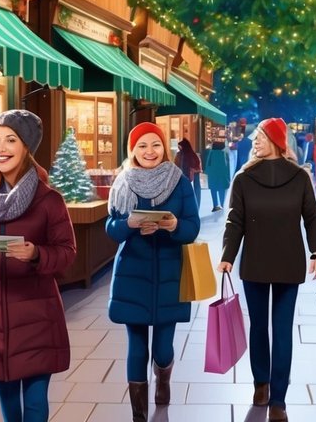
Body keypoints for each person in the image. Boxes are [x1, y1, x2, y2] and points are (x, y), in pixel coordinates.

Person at [0, 110, 77, 422]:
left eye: (11, 139)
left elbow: (67, 252)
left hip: (37, 313)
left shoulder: (49, 200)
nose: (1, 147)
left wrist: (37, 254)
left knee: (35, 400)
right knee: (8, 399)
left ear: (26, 147)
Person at [219, 117, 316, 422]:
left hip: (287, 262)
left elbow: (312, 217)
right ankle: (261, 385)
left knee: (281, 329)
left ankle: (278, 397)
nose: (254, 141)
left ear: (277, 141)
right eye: (255, 137)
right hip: (254, 261)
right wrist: (228, 254)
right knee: (259, 327)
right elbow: (235, 219)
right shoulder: (243, 177)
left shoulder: (299, 177)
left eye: (261, 137)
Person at [106, 123, 201, 422]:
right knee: (136, 346)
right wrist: (129, 225)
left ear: (165, 148)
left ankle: (164, 377)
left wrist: (174, 226)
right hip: (132, 273)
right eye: (142, 146)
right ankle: (139, 414)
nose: (149, 151)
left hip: (171, 273)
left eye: (155, 145)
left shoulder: (180, 182)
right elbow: (111, 226)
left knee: (162, 348)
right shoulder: (122, 182)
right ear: (132, 151)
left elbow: (193, 226)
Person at [174, 135, 203, 212]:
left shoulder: (179, 155)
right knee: (196, 191)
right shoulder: (193, 155)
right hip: (192, 177)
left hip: (185, 177)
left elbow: (176, 166)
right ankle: (196, 208)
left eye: (179, 147)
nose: (179, 148)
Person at [204, 139, 232, 212]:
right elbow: (227, 166)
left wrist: (207, 173)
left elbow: (207, 165)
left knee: (213, 190)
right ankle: (222, 205)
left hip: (212, 175)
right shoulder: (224, 154)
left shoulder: (211, 153)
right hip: (222, 176)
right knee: (221, 190)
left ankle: (215, 205)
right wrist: (229, 177)